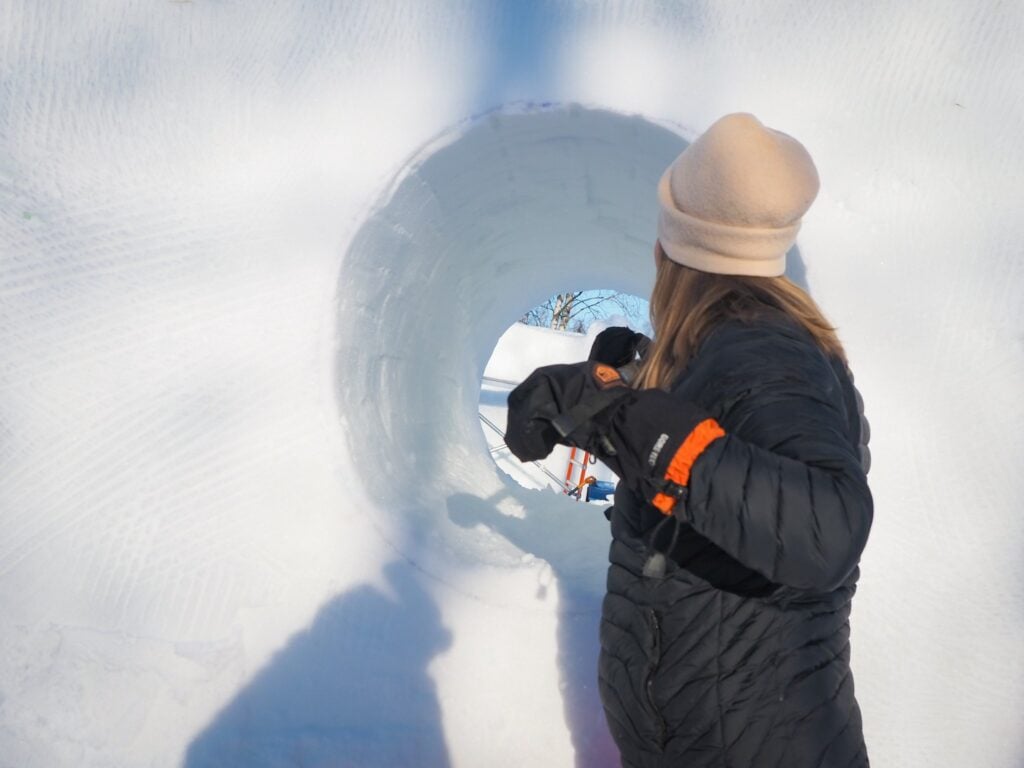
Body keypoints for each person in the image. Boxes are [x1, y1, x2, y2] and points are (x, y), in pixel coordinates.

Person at [504, 113, 872, 767]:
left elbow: (826, 531)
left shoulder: (761, 347)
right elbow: (726, 466)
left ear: (673, 246)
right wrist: (623, 391)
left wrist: (626, 418)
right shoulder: (740, 344)